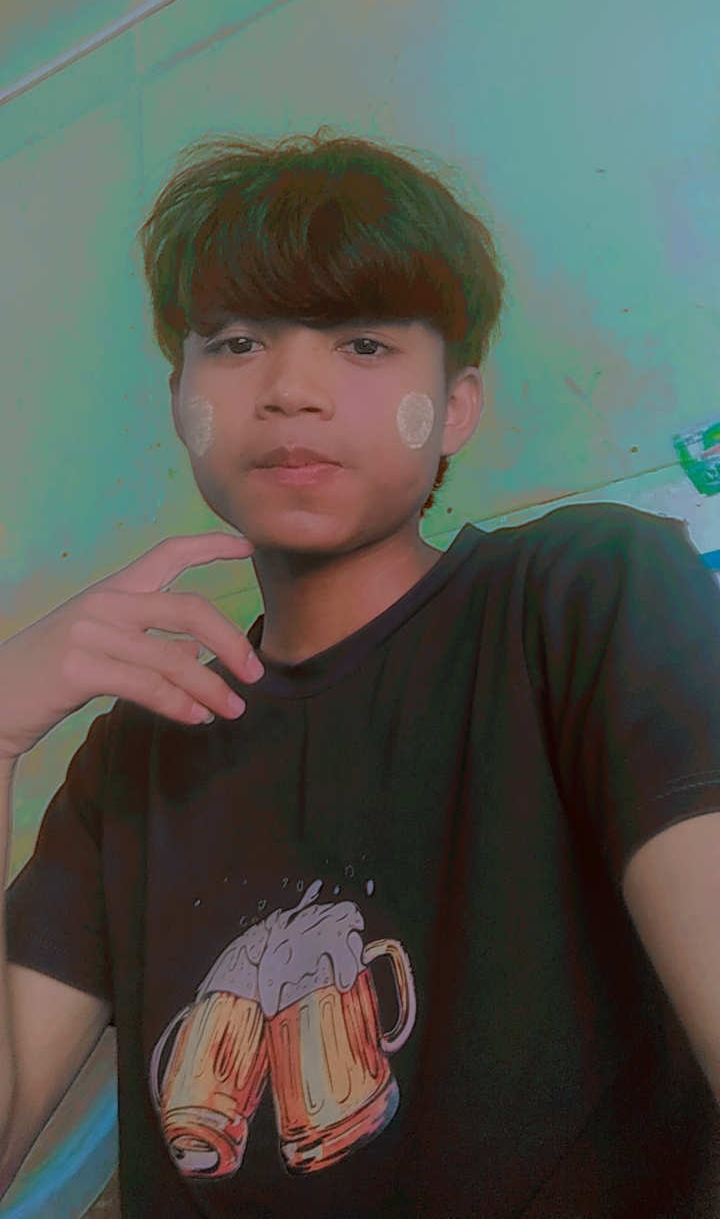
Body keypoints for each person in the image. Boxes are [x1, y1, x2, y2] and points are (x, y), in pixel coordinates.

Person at [1, 128, 720, 1219]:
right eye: (237, 342)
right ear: (180, 397)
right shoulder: (135, 750)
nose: (291, 389)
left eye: (365, 343)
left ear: (459, 406)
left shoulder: (585, 595)